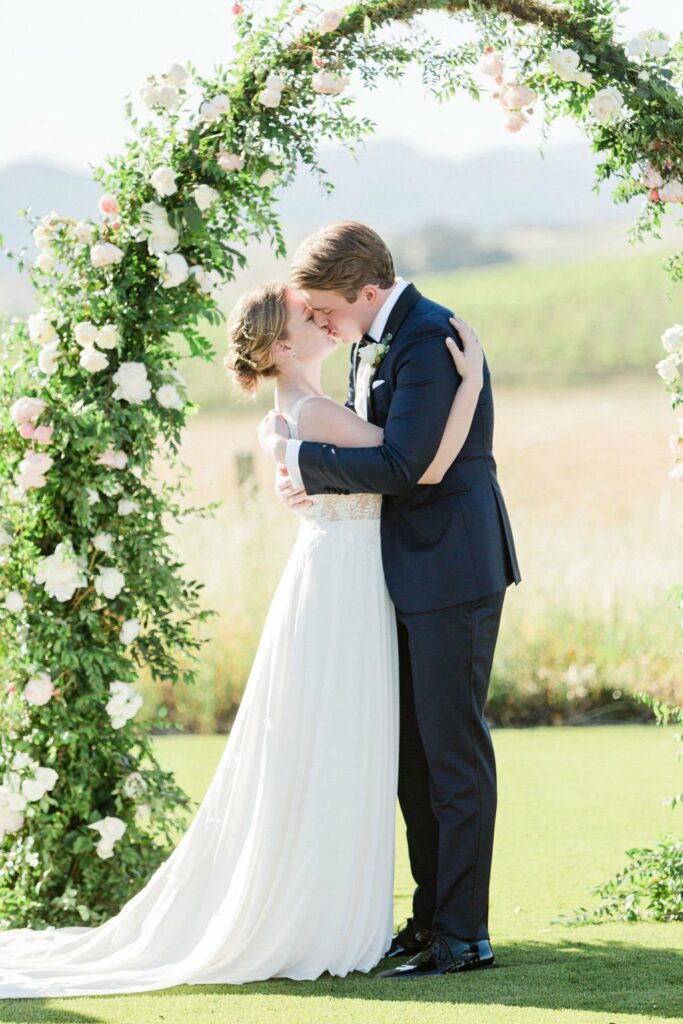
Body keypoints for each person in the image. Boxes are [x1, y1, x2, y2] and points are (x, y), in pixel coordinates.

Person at [0, 278, 484, 998]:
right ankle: (325, 911)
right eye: (308, 316)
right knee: (339, 744)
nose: (324, 319)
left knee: (324, 744)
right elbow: (421, 466)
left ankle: (332, 900)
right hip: (346, 587)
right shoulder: (318, 410)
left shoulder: (297, 411)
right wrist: (470, 384)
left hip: (333, 580)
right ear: (285, 346)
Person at [258, 221, 521, 979]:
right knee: (411, 757)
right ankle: (430, 917)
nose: (322, 325)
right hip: (400, 569)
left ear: (367, 293)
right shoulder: (378, 339)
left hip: (452, 570)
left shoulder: (430, 337)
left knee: (452, 753)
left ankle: (463, 934)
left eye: (326, 310)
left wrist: (300, 459)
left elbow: (408, 464)